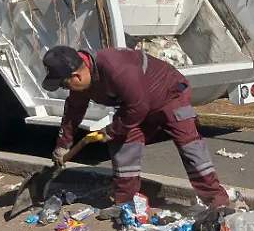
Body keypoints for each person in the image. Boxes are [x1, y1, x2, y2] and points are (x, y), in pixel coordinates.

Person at [42, 45, 230, 216]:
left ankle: (217, 201)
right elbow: (73, 112)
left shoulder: (116, 68)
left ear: (77, 76)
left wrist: (113, 129)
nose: (66, 89)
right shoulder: (81, 84)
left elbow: (138, 106)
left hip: (168, 93)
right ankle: (126, 203)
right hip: (136, 103)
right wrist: (63, 145)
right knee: (123, 145)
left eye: (64, 84)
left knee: (190, 146)